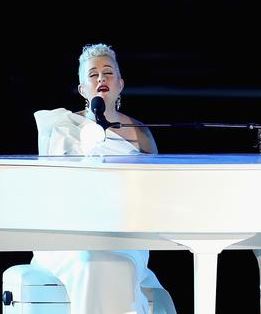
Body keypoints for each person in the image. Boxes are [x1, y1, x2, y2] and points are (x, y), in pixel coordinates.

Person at [30, 43, 176, 314]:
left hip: (125, 234)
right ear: (83, 89)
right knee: (90, 261)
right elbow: (51, 188)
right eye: (93, 74)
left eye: (108, 73)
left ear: (120, 83)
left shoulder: (140, 132)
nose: (101, 79)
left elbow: (155, 190)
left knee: (115, 262)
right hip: (70, 234)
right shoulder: (64, 127)